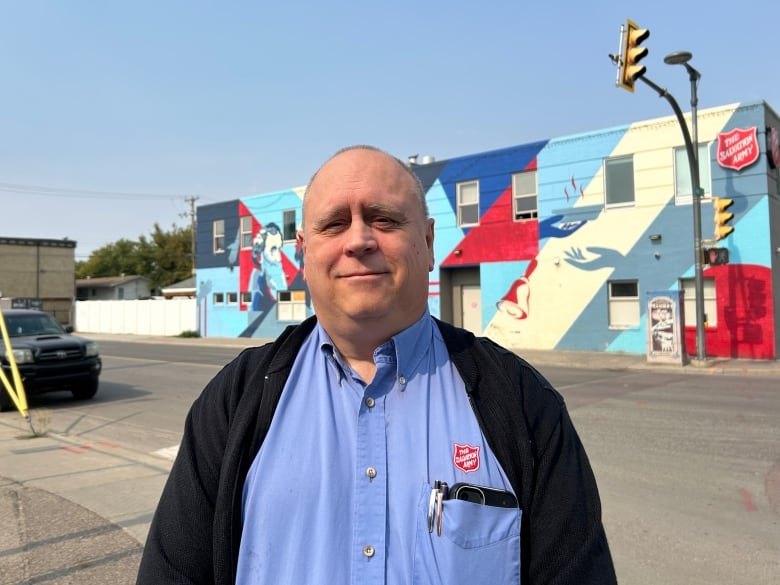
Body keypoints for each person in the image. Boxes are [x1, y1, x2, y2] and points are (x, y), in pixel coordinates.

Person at [136, 145, 617, 585]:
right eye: (334, 224)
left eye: (384, 220)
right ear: (303, 253)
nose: (359, 240)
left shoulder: (521, 402)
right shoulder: (238, 399)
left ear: (428, 242)